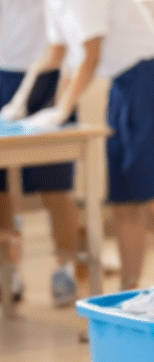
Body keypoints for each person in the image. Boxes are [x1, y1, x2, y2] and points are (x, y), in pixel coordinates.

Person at [5, 0, 154, 290]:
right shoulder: (54, 4)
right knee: (123, 204)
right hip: (121, 88)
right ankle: (129, 289)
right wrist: (21, 99)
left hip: (151, 81)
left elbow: (91, 56)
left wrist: (63, 109)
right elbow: (56, 56)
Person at [0, 0, 81, 307]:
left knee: (55, 187)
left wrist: (61, 97)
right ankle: (9, 273)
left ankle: (66, 267)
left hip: (50, 79)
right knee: (1, 189)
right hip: (4, 75)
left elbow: (73, 40)